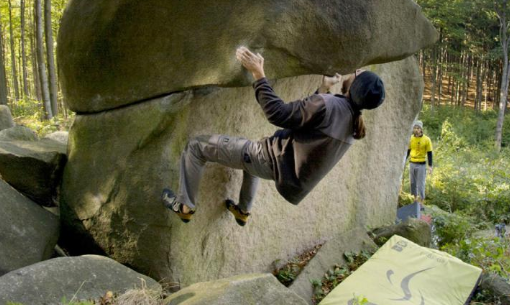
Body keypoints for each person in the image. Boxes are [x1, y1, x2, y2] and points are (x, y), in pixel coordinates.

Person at [162, 46, 386, 226]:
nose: (351, 72)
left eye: (356, 73)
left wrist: (258, 73)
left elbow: (278, 114)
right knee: (254, 163)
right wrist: (322, 88)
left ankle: (184, 206)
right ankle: (242, 211)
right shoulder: (352, 123)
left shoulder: (329, 105)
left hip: (267, 159)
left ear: (354, 85)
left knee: (196, 146)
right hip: (280, 170)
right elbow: (312, 124)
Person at [405, 120, 433, 206]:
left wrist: (430, 166)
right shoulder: (411, 138)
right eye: (415, 128)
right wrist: (404, 162)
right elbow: (408, 151)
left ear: (421, 129)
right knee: (412, 183)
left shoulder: (426, 139)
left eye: (418, 128)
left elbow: (429, 153)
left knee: (421, 184)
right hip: (412, 163)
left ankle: (421, 201)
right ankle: (415, 200)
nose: (416, 130)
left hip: (421, 164)